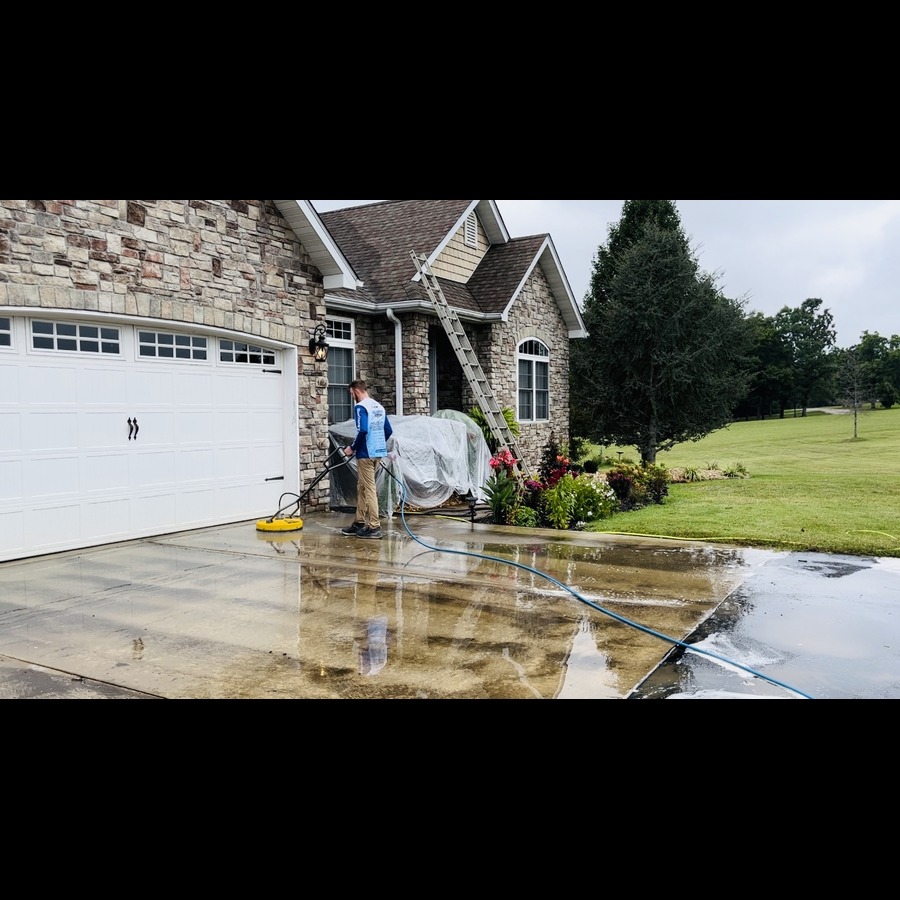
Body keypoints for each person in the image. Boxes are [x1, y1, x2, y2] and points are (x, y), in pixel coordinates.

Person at [341, 380, 393, 540]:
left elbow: (362, 430)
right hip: (377, 452)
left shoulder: (360, 407)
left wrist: (352, 448)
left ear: (356, 391)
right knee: (362, 487)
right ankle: (359, 522)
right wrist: (378, 444)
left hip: (365, 453)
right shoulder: (378, 407)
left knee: (369, 488)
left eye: (351, 394)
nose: (352, 397)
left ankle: (374, 526)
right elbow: (388, 430)